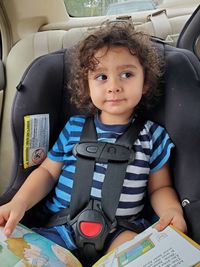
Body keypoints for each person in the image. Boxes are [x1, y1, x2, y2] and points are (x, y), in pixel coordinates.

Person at [0, 21, 187, 258]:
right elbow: (47, 173)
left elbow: (160, 187)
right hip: (60, 228)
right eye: (101, 77)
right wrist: (19, 203)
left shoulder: (153, 136)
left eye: (127, 74)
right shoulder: (73, 128)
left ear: (146, 82)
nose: (114, 87)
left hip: (122, 231)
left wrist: (171, 211)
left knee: (140, 254)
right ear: (86, 86)